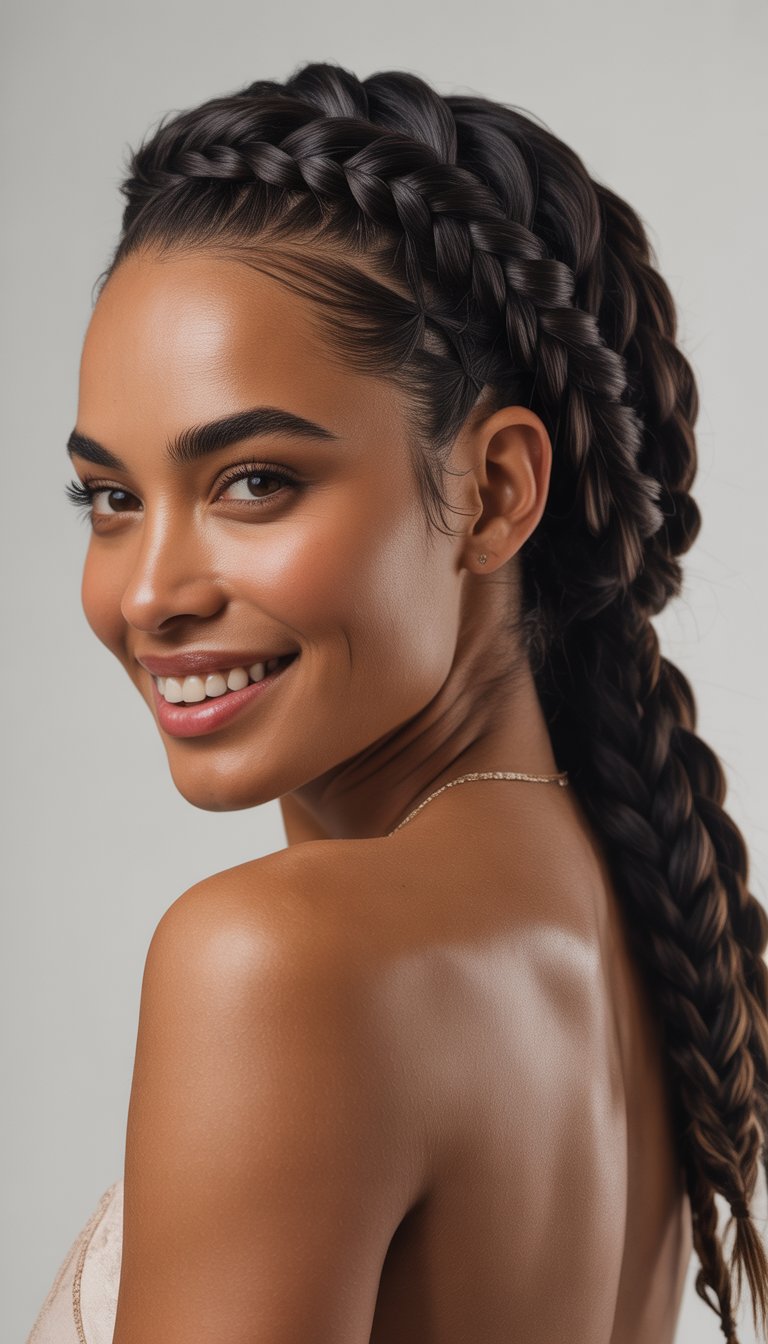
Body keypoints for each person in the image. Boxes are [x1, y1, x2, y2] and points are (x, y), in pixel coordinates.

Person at [26, 60, 768, 1344]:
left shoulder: (282, 960)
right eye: (112, 498)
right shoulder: (636, 929)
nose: (147, 595)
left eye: (254, 482)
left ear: (494, 492)